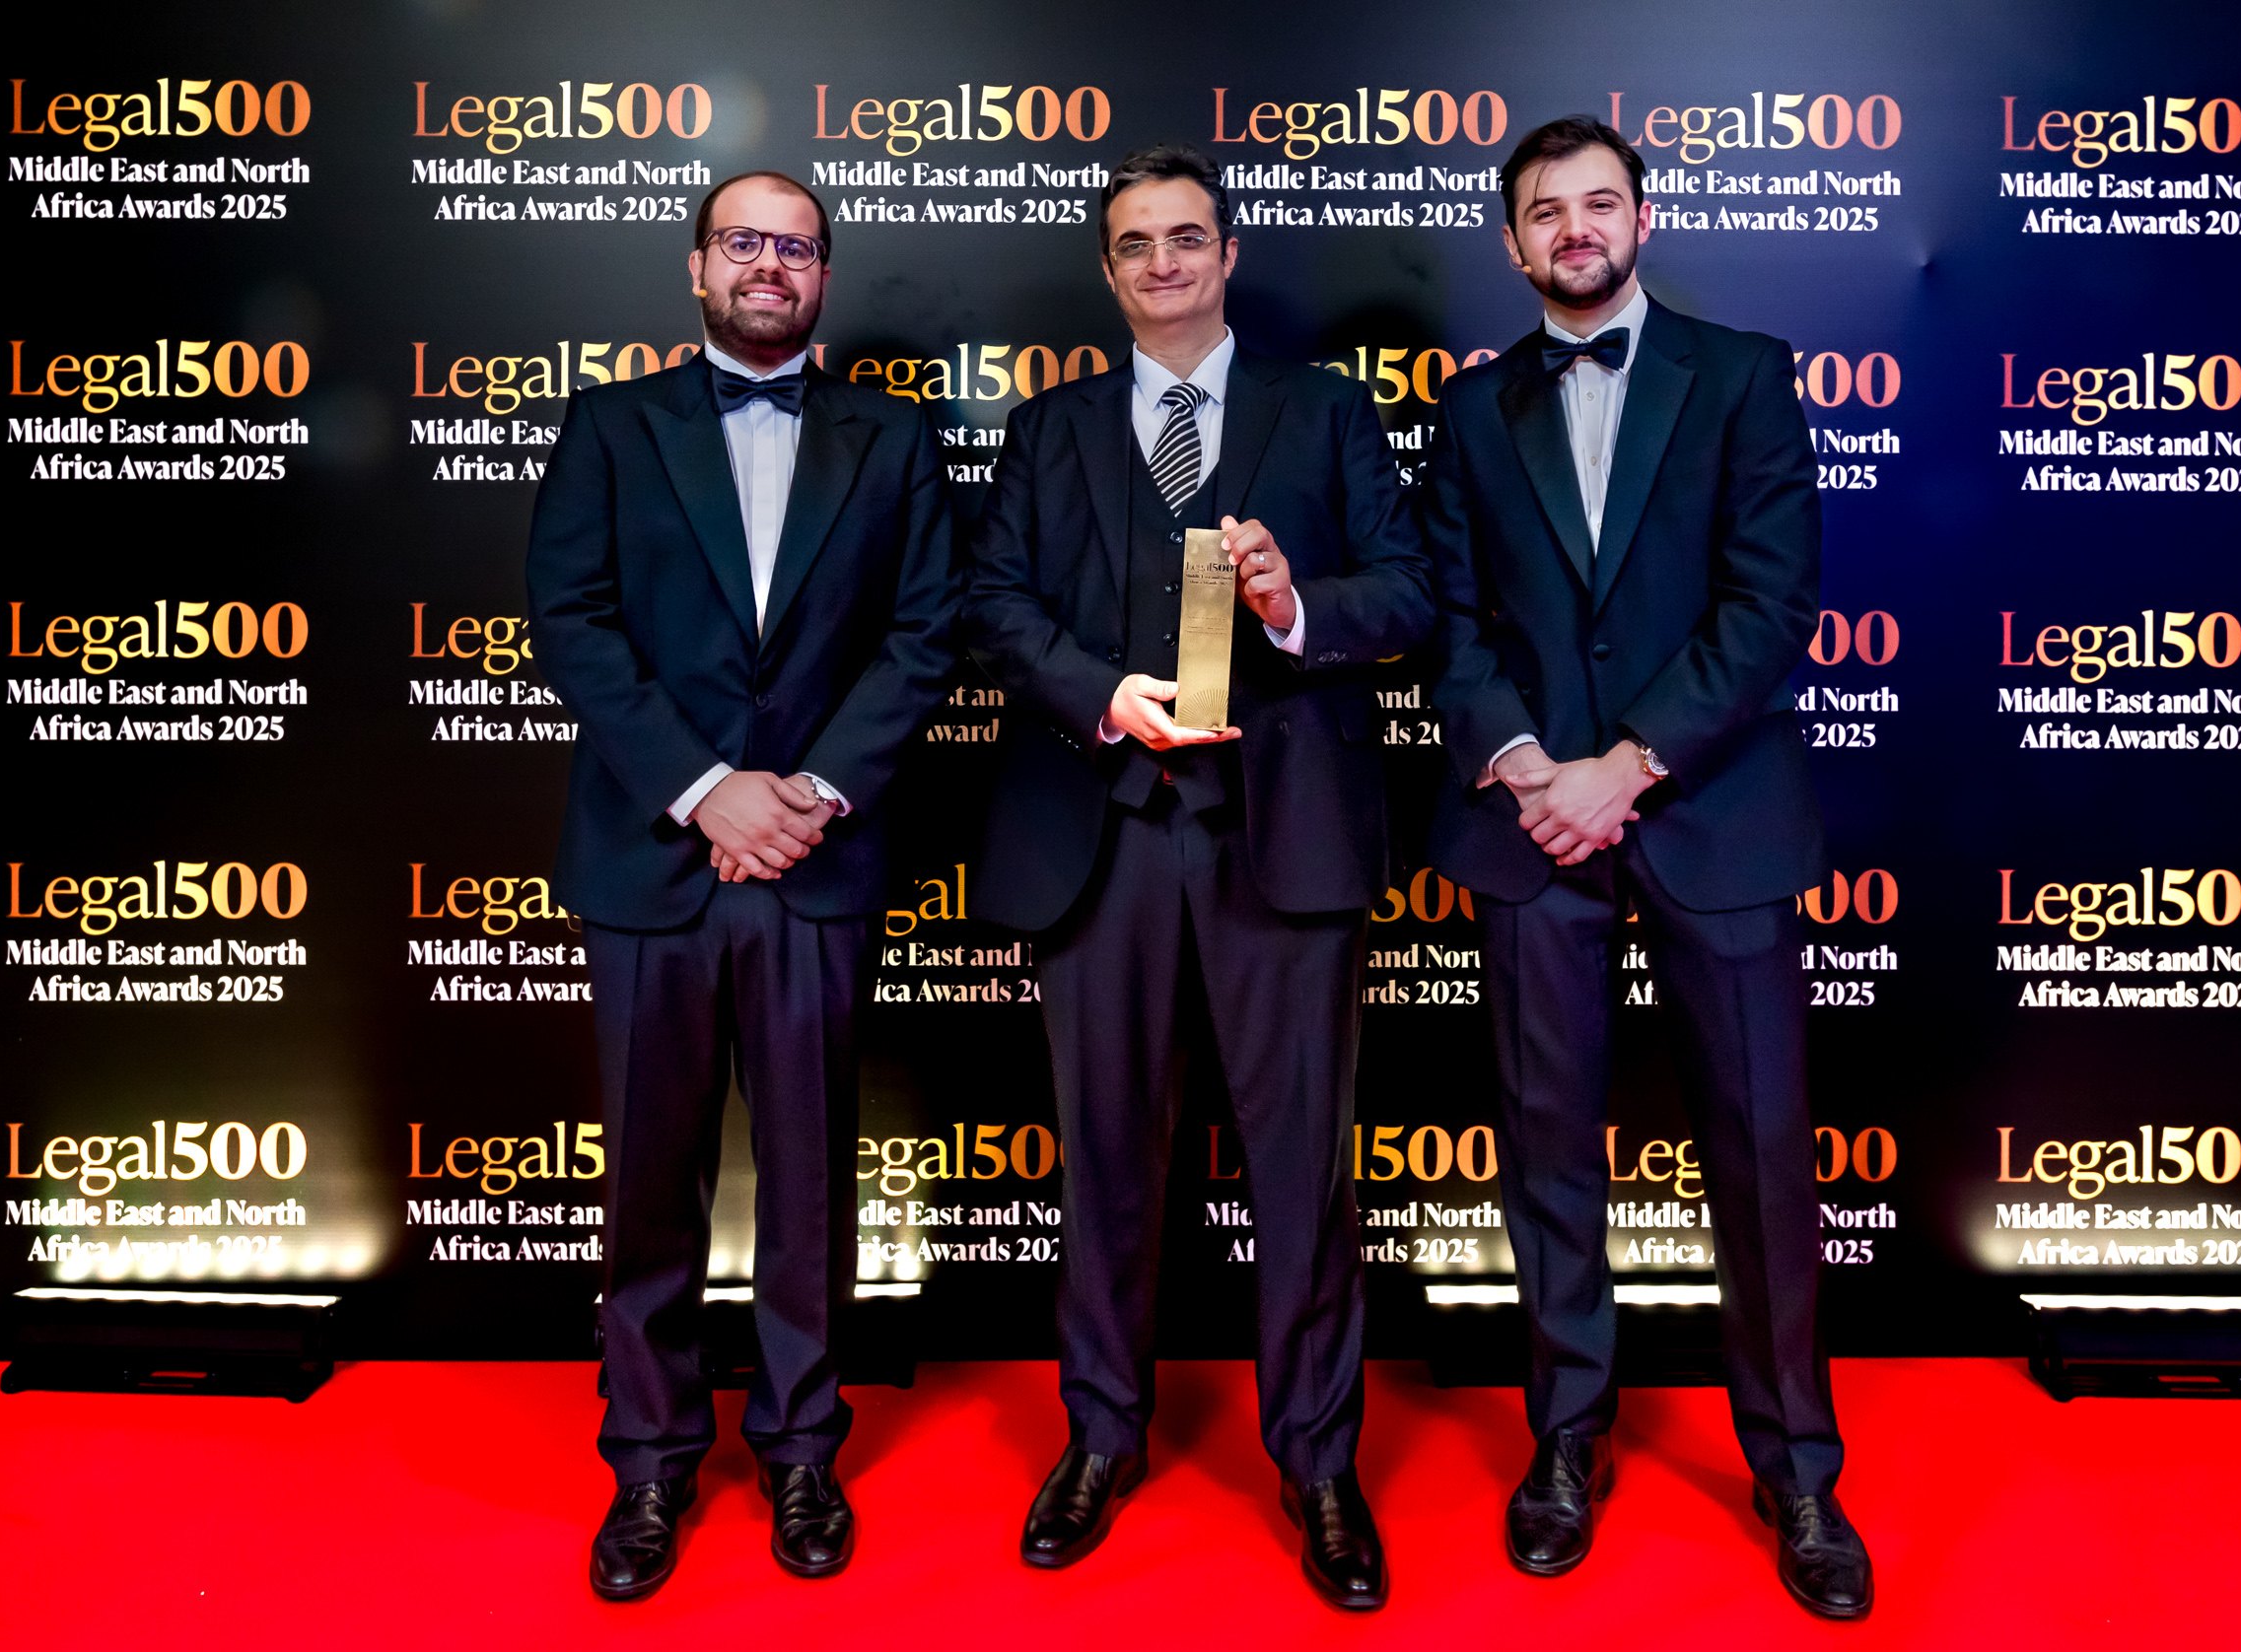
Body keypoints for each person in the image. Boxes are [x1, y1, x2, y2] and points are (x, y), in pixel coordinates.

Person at [963, 142, 1433, 1611]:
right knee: (1104, 1159)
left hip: (1281, 837)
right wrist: (1099, 694)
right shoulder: (1047, 429)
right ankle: (1101, 1434)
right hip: (1100, 832)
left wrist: (1297, 607)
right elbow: (992, 603)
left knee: (1305, 1171)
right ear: (1108, 272)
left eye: (1187, 238)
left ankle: (1318, 1462)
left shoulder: (1329, 411)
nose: (1163, 263)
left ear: (1230, 256)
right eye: (1135, 244)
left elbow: (1411, 591)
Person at [1418, 116, 1873, 1619]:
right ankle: (1565, 1439)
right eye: (1546, 211)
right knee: (1548, 1150)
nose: (1575, 229)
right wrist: (1528, 764)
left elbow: (1770, 602)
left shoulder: (1743, 376)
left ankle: (1798, 1470)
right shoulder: (1471, 411)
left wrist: (1630, 764)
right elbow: (1451, 623)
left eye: (1599, 204)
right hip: (1533, 827)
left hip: (1711, 814)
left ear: (1642, 220)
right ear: (1512, 243)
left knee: (1761, 1157)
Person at [526, 170, 959, 1600]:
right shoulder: (610, 426)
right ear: (698, 266)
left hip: (816, 859)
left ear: (824, 276)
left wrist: (809, 795)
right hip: (652, 856)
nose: (771, 266)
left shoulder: (895, 439)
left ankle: (801, 1445)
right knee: (650, 1176)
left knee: (810, 1174)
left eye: (797, 248)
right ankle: (650, 1457)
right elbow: (571, 621)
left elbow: (924, 637)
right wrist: (707, 788)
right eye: (744, 244)